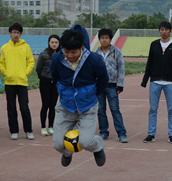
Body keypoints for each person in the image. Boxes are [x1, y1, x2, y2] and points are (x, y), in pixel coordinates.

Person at [50, 28, 109, 167]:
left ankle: (98, 146)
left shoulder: (94, 59)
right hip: (66, 106)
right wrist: (62, 90)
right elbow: (55, 76)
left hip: (87, 106)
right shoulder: (56, 59)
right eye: (66, 51)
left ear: (81, 47)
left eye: (73, 52)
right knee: (57, 144)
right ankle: (67, 153)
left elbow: (103, 78)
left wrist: (93, 93)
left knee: (85, 142)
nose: (69, 55)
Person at [141, 21, 172, 144]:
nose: (164, 32)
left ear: (170, 31)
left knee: (171, 109)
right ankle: (151, 134)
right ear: (159, 31)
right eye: (162, 29)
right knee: (153, 109)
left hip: (170, 83)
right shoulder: (154, 45)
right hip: (155, 82)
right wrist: (145, 80)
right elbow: (149, 63)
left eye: (166, 29)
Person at [0, 23, 35, 140]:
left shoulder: (26, 47)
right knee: (11, 108)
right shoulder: (4, 48)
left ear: (21, 34)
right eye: (14, 32)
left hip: (22, 82)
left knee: (24, 107)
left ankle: (28, 130)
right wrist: (6, 72)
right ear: (9, 33)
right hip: (9, 82)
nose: (16, 35)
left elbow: (31, 62)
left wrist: (26, 72)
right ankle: (14, 131)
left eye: (18, 33)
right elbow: (0, 63)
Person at [95, 28, 128, 143]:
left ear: (110, 39)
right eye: (102, 38)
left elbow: (121, 69)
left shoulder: (116, 52)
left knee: (115, 109)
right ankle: (103, 132)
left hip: (112, 86)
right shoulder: (96, 53)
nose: (104, 40)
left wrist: (120, 85)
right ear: (99, 39)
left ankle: (122, 133)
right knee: (100, 110)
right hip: (99, 86)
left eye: (106, 38)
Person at [36, 34, 61, 136]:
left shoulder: (61, 54)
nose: (54, 44)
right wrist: (42, 77)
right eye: (52, 42)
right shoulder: (43, 54)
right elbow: (38, 69)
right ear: (49, 43)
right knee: (45, 105)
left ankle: (51, 126)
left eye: (56, 42)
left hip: (56, 83)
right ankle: (43, 127)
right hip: (45, 82)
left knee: (53, 105)